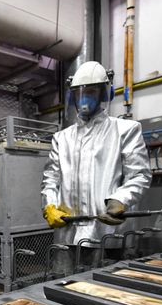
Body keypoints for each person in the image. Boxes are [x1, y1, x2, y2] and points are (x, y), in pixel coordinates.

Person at [41, 61, 151, 271]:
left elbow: (139, 175)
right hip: (67, 236)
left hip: (109, 236)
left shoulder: (125, 130)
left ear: (104, 94)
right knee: (64, 288)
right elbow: (50, 179)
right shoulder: (61, 138)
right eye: (79, 92)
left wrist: (121, 200)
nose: (84, 97)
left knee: (108, 292)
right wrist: (49, 205)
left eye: (91, 91)